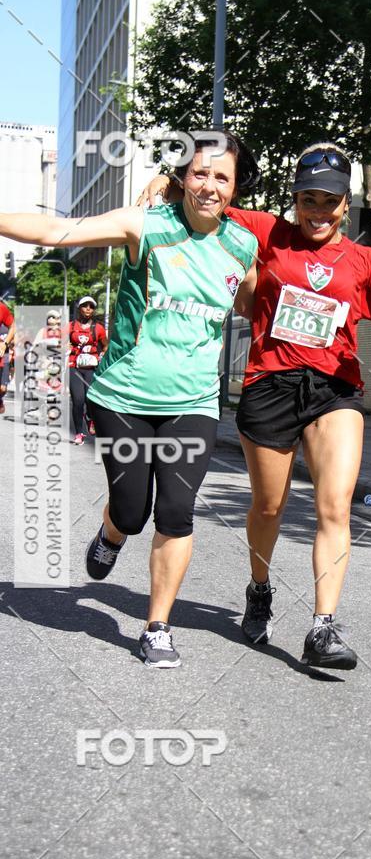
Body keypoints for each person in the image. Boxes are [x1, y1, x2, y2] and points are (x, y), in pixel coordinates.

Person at [140, 140, 371, 671]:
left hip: (334, 391)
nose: (319, 211)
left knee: (334, 505)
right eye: (309, 199)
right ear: (294, 199)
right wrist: (168, 184)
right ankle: (260, 586)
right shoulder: (267, 233)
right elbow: (207, 198)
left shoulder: (365, 260)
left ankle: (322, 627)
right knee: (269, 507)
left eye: (330, 201)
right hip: (270, 386)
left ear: (347, 205)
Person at [0, 132, 260, 668]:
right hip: (124, 396)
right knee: (133, 509)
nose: (209, 185)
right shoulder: (146, 226)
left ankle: (156, 627)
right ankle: (113, 531)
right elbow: (58, 229)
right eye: (199, 173)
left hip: (194, 402)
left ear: (236, 189)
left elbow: (255, 300)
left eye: (222, 177)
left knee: (176, 512)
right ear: (182, 178)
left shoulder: (243, 245)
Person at [68, 296, 107, 444]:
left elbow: (105, 345)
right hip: (74, 366)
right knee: (78, 400)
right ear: (79, 308)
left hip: (91, 367)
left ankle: (90, 417)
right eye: (85, 305)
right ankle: (79, 433)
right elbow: (62, 343)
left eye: (91, 306)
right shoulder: (71, 326)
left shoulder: (98, 328)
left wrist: (101, 355)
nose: (88, 308)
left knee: (89, 398)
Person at [0, 299, 15, 415]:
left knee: (2, 388)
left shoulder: (2, 308)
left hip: (3, 354)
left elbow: (13, 327)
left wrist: (5, 344)